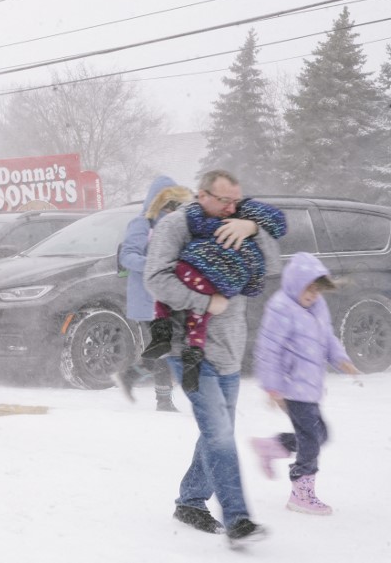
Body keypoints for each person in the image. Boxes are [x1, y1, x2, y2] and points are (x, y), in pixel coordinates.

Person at [144, 169, 281, 547]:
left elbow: (271, 267)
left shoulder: (240, 221)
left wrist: (252, 229)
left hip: (229, 349)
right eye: (224, 200)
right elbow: (154, 278)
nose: (231, 207)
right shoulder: (176, 226)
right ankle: (238, 521)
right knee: (219, 434)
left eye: (236, 200)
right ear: (202, 195)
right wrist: (205, 301)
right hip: (187, 348)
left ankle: (190, 501)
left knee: (217, 432)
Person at [250, 252, 360, 516]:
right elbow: (268, 350)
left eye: (316, 290)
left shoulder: (317, 306)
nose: (312, 295)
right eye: (307, 290)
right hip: (290, 387)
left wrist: (340, 359)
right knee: (311, 439)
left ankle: (273, 446)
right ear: (294, 284)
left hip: (309, 386)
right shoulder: (281, 308)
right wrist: (272, 388)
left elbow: (327, 337)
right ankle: (301, 492)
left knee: (321, 435)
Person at [141, 197, 286, 394]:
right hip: (215, 289)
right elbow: (261, 277)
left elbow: (272, 263)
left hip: (194, 274)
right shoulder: (251, 240)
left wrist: (252, 228)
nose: (230, 208)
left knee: (169, 300)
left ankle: (162, 334)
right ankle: (191, 353)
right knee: (198, 320)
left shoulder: (222, 223)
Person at [113, 176, 191, 412]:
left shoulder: (174, 225)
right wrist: (156, 265)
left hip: (168, 297)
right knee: (164, 346)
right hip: (147, 298)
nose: (171, 207)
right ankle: (164, 400)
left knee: (167, 346)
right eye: (166, 202)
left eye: (174, 202)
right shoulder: (141, 224)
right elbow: (127, 257)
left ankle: (129, 376)